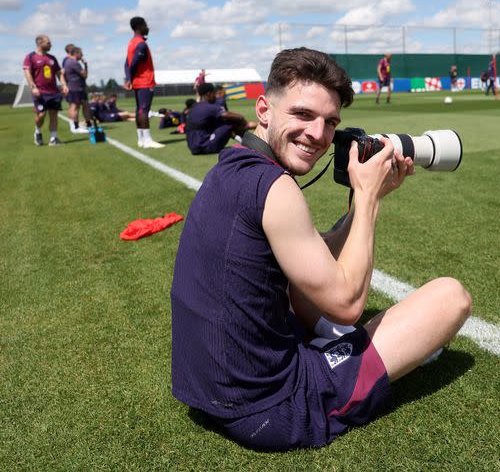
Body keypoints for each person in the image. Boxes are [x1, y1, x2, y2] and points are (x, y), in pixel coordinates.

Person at [170, 47, 471, 451]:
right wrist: (367, 201)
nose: (318, 134)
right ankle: (353, 355)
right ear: (264, 109)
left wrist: (356, 205)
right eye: (303, 114)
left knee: (304, 287)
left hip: (207, 389)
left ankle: (340, 346)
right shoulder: (275, 188)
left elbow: (308, 253)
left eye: (330, 122)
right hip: (269, 408)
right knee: (450, 296)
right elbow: (346, 302)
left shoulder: (233, 165)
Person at [124, 16, 164, 148]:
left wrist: (129, 78)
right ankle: (147, 140)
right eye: (145, 25)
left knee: (139, 109)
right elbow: (134, 63)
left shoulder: (131, 43)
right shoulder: (140, 43)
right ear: (139, 27)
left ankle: (141, 139)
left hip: (137, 81)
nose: (147, 27)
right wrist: (130, 78)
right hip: (144, 82)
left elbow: (126, 63)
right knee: (144, 110)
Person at [185, 82, 256, 155]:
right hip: (204, 146)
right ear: (209, 94)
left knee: (221, 123)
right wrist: (243, 121)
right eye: (213, 93)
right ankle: (253, 144)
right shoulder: (210, 107)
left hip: (193, 147)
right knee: (230, 124)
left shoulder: (194, 107)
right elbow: (233, 116)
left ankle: (246, 141)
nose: (215, 96)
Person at [22, 35, 68, 146]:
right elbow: (27, 73)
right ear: (40, 43)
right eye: (48, 43)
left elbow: (58, 73)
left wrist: (64, 85)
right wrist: (33, 87)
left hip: (54, 92)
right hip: (40, 92)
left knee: (53, 115)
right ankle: (37, 131)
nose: (50, 44)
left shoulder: (52, 58)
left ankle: (53, 139)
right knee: (41, 115)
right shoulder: (30, 57)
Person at [63, 46, 93, 133]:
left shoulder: (69, 61)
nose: (82, 55)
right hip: (75, 88)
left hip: (78, 88)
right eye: (81, 53)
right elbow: (85, 75)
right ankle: (75, 127)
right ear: (76, 53)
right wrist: (86, 65)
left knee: (85, 105)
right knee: (75, 107)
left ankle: (88, 124)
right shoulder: (74, 62)